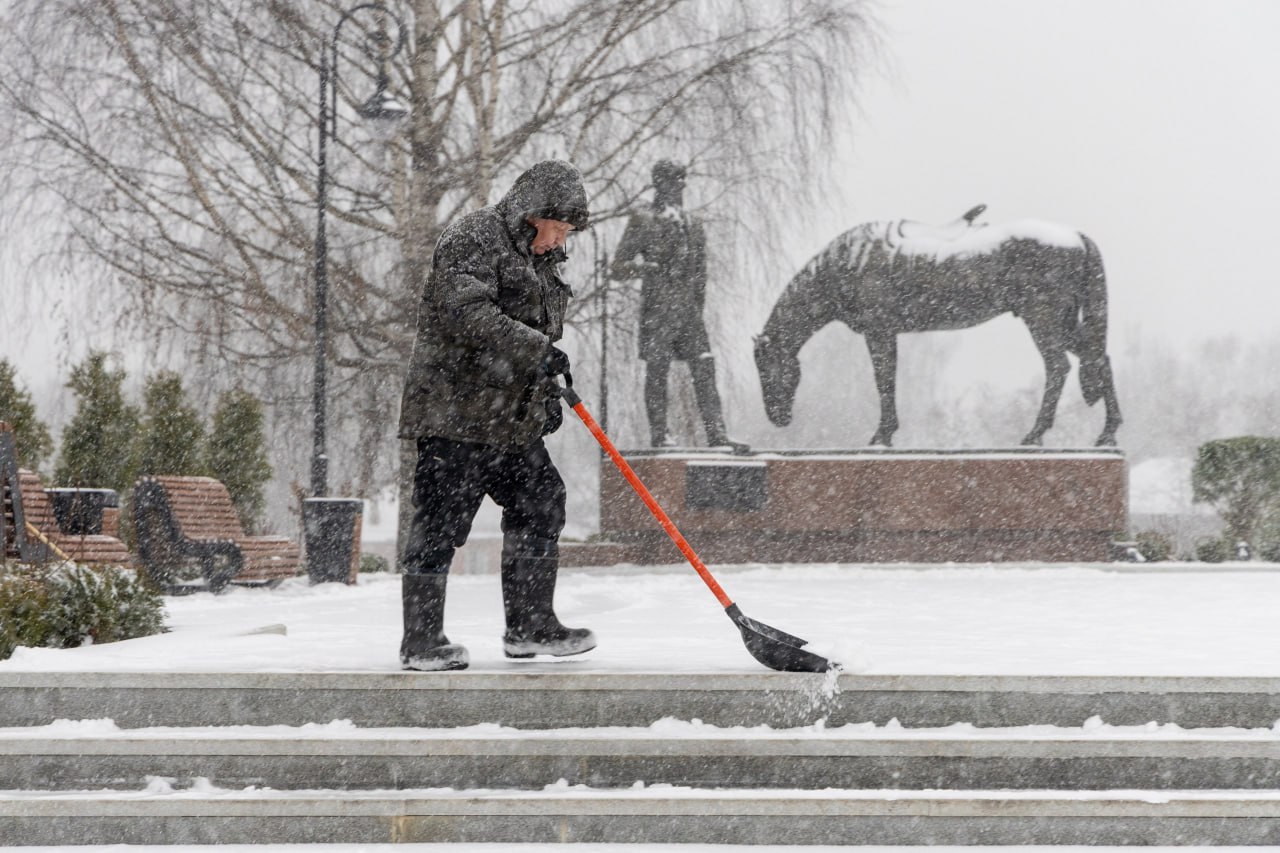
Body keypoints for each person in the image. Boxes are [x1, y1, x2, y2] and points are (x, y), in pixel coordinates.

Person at [396, 160, 596, 671]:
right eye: (558, 228)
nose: (559, 240)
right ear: (534, 214)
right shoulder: (474, 237)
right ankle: (421, 642)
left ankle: (530, 627)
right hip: (456, 412)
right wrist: (536, 349)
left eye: (567, 232)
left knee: (542, 499)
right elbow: (468, 314)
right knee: (441, 520)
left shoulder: (541, 259)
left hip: (508, 419)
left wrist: (544, 393)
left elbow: (532, 336)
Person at [610, 160, 746, 451]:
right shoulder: (642, 218)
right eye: (675, 181)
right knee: (658, 372)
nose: (681, 187)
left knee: (705, 367)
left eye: (683, 181)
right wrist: (645, 268)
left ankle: (717, 434)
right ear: (660, 183)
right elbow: (618, 267)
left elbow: (701, 272)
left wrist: (697, 305)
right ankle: (661, 434)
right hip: (658, 310)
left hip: (688, 311)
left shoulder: (693, 223)